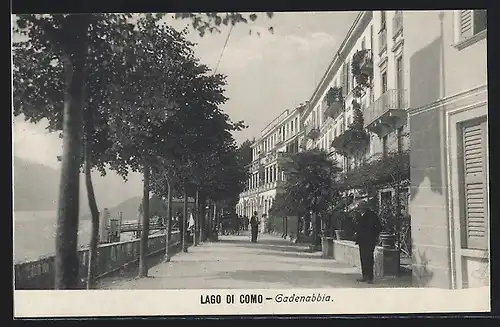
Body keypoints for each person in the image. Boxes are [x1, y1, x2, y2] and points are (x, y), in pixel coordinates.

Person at [354, 200, 382, 284]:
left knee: (369, 258)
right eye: (360, 208)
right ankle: (364, 276)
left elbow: (379, 227)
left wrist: (373, 236)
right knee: (363, 258)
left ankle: (370, 277)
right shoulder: (359, 216)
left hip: (369, 241)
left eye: (362, 208)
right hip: (361, 240)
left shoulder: (372, 215)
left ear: (366, 208)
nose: (361, 209)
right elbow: (357, 226)